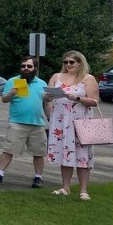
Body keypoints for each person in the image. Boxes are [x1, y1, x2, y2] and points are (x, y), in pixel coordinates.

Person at [46, 50, 102, 199]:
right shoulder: (56, 77)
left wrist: (77, 97)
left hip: (80, 122)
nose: (68, 65)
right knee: (64, 153)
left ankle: (83, 190)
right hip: (60, 121)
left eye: (72, 62)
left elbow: (95, 101)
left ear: (80, 63)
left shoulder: (87, 78)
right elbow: (46, 98)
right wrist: (48, 96)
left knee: (82, 155)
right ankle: (65, 187)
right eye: (66, 62)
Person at [0, 56, 48, 187]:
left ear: (35, 68)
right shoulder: (13, 81)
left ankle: (38, 178)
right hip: (17, 122)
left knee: (39, 152)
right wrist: (12, 92)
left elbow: (46, 103)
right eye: (23, 66)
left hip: (37, 123)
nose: (26, 68)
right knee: (9, 149)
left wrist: (50, 117)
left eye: (29, 66)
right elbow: (4, 100)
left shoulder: (42, 83)